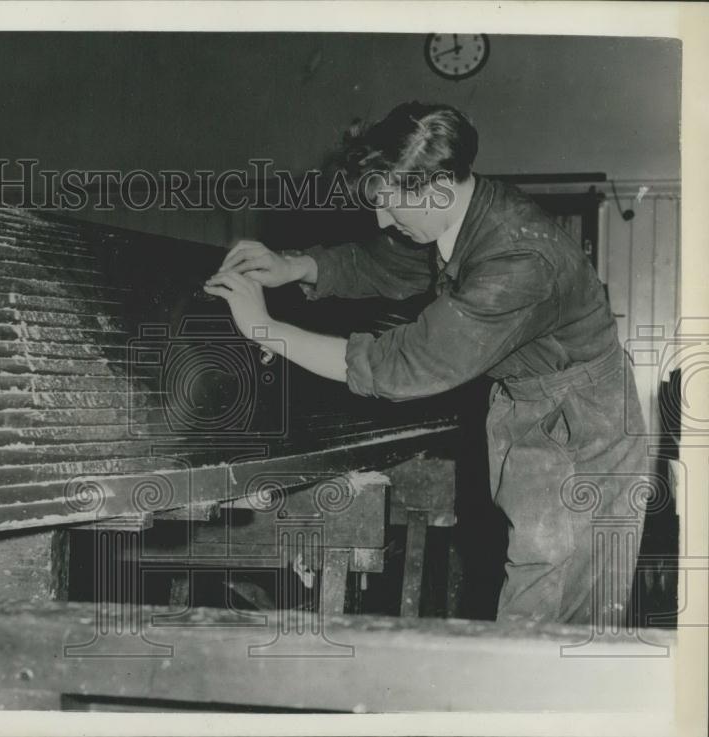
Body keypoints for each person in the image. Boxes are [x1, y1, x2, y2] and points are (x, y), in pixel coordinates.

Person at [204, 102, 649, 626]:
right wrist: (298, 265)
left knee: (547, 615)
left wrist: (266, 329)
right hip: (535, 407)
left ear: (438, 185)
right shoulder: (461, 211)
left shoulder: (518, 261)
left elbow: (402, 363)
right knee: (541, 595)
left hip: (582, 430)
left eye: (394, 208)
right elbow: (391, 260)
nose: (382, 220)